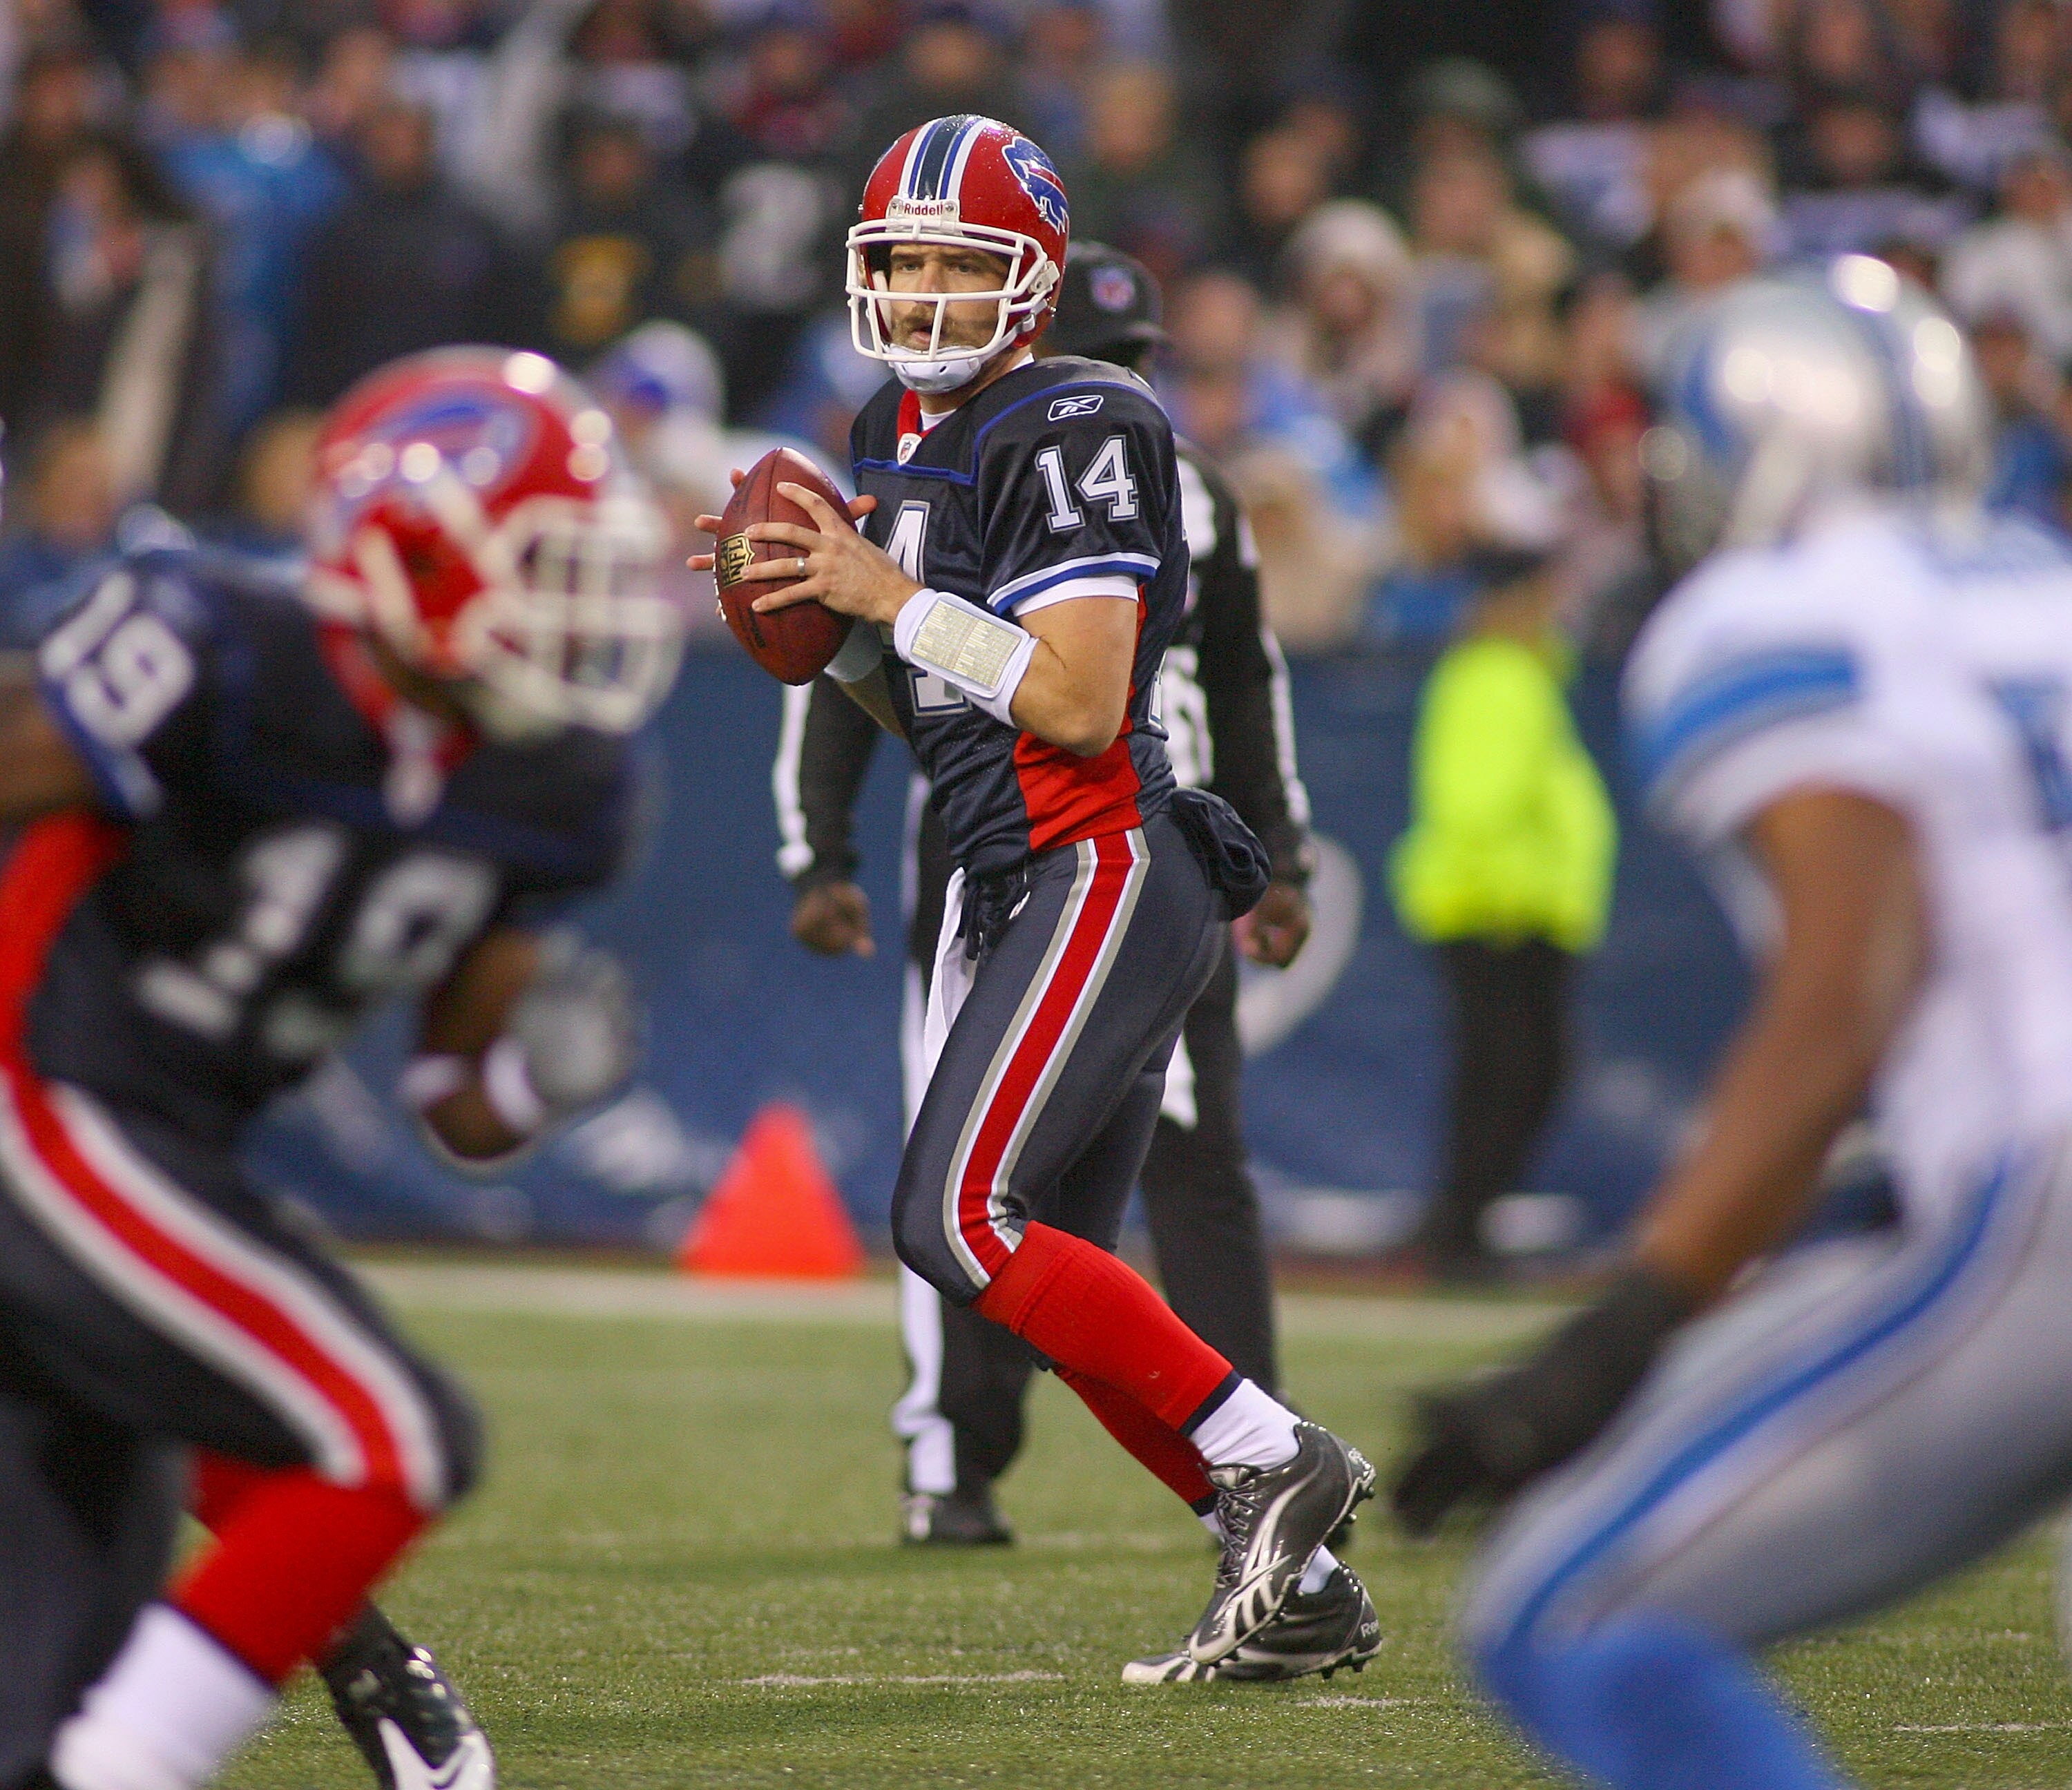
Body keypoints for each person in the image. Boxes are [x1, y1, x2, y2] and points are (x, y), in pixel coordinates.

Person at [696, 116, 1372, 1674]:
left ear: (1035, 284)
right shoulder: (898, 425)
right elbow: (938, 708)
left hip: (1104, 855)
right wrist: (830, 626)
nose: (926, 292)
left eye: (959, 262)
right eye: (903, 260)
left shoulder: (1080, 414)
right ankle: (1305, 1588)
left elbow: (1073, 699)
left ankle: (1277, 1461)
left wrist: (889, 593)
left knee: (952, 1217)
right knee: (1032, 1284)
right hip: (1011, 869)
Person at [1390, 257, 2072, 1790]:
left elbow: (1846, 989)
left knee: (1560, 1613)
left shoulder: (1776, 615)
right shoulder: (2042, 573)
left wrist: (1630, 1321)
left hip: (2048, 1208)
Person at [0, 345, 684, 1790]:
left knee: (47, 1674)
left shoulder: (555, 788)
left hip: (154, 1143)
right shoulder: (225, 644)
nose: (585, 605)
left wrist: (533, 1085)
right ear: (416, 547)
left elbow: (454, 1105)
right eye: (548, 560)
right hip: (38, 1095)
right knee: (388, 1434)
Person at [1390, 523, 1618, 1283]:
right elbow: (1475, 803)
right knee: (1512, 1070)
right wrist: (1508, 896)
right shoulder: (1498, 675)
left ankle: (1459, 1225)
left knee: (1506, 1071)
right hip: (1499, 911)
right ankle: (1457, 1230)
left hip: (1514, 909)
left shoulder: (1510, 673)